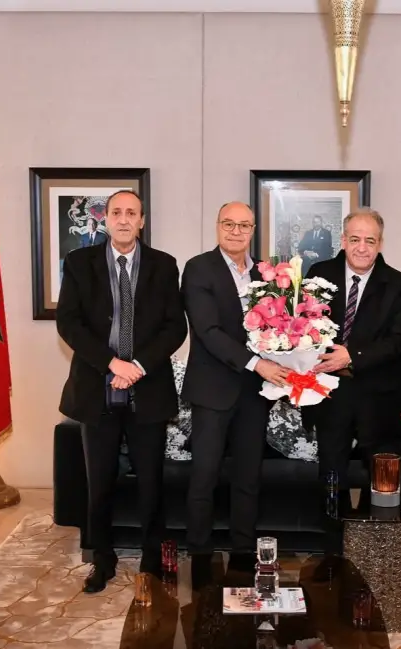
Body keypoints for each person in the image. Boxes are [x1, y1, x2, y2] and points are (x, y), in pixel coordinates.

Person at [56, 189, 188, 593]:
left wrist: (137, 367)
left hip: (147, 389)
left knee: (151, 481)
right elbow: (69, 323)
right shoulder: (80, 263)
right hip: (97, 388)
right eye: (117, 212)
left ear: (142, 220)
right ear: (106, 220)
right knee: (100, 482)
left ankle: (152, 558)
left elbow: (175, 326)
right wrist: (112, 365)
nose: (124, 219)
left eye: (132, 213)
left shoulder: (164, 265)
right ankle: (103, 559)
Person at [181, 201, 291, 572]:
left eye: (244, 225)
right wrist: (259, 363)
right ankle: (199, 555)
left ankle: (244, 555)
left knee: (248, 477)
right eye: (228, 223)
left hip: (254, 393)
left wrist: (292, 353)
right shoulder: (198, 268)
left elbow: (277, 328)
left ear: (253, 230)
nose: (236, 231)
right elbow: (208, 331)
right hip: (213, 390)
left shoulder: (266, 273)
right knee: (204, 478)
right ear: (217, 226)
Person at [305, 208, 401, 580]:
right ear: (343, 240)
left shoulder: (399, 284)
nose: (362, 247)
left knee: (381, 480)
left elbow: (400, 342)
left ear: (380, 243)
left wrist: (354, 355)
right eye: (355, 238)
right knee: (330, 476)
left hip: (379, 397)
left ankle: (376, 557)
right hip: (331, 397)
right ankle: (332, 554)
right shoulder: (320, 274)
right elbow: (305, 326)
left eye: (370, 240)